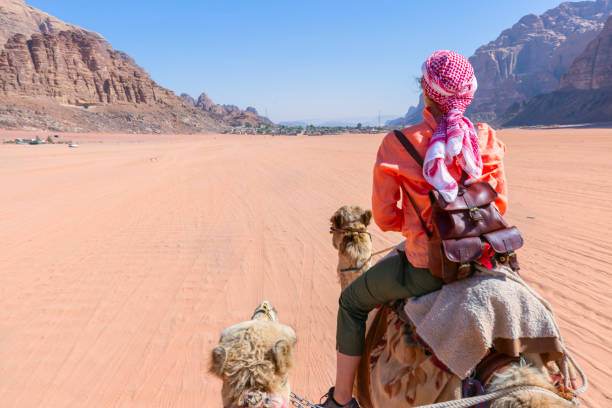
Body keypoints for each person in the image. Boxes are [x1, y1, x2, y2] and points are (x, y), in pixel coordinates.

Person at [320, 50, 508, 408]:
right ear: (469, 93)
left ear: (425, 89)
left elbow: (387, 217)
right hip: (486, 262)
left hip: (428, 269)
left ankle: (341, 399)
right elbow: (499, 208)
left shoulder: (398, 143)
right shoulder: (486, 139)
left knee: (351, 303)